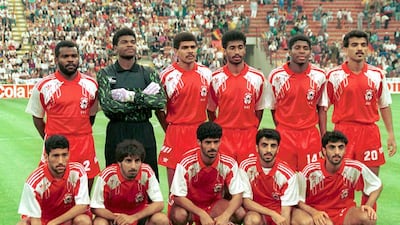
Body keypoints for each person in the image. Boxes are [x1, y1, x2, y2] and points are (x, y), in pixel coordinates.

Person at [326, 30, 396, 205]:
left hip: (369, 133)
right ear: (346, 49)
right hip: (343, 132)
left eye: (363, 45)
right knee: (341, 183)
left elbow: (384, 105)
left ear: (368, 49)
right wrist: (322, 136)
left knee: (371, 184)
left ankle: (368, 219)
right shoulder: (334, 76)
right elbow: (322, 107)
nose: (360, 49)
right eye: (355, 45)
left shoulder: (377, 75)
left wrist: (391, 134)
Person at [25, 40, 100, 189]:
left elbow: (91, 115)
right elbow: (37, 118)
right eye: (65, 56)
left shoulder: (91, 85)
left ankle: (83, 212)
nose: (70, 59)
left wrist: (79, 130)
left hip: (83, 143)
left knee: (86, 183)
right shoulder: (44, 86)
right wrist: (51, 140)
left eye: (74, 56)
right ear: (56, 59)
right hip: (55, 144)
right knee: (52, 187)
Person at [97, 27, 166, 179]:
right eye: (124, 42)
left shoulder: (148, 73)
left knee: (148, 176)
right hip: (117, 129)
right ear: (115, 47)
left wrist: (130, 96)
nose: (129, 45)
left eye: (133, 42)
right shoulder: (105, 73)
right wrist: (145, 99)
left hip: (143, 129)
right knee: (115, 177)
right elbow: (109, 106)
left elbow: (160, 101)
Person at [156, 31, 212, 188]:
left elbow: (212, 106)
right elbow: (159, 109)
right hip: (176, 133)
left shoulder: (206, 73)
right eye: (185, 47)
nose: (190, 51)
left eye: (193, 47)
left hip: (200, 132)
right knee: (176, 187)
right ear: (176, 51)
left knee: (201, 186)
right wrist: (170, 129)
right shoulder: (167, 76)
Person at [265, 34, 327, 171]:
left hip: (311, 136)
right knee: (285, 180)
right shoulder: (276, 76)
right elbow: (273, 108)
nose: (301, 51)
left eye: (305, 48)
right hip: (285, 135)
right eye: (297, 48)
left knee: (312, 179)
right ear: (289, 51)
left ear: (310, 52)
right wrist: (283, 128)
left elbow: (322, 109)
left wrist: (324, 138)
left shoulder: (320, 76)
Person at [298, 131, 383, 225]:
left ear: (345, 150)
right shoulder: (310, 171)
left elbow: (377, 185)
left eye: (341, 147)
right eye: (332, 147)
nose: (337, 152)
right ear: (324, 150)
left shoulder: (354, 167)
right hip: (318, 213)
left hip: (344, 212)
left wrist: (368, 205)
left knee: (368, 217)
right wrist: (314, 213)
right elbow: (297, 199)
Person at [207, 30, 267, 164]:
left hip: (249, 136)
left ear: (245, 49)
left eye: (240, 47)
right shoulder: (215, 78)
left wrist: (251, 128)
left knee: (248, 179)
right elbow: (211, 110)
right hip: (224, 137)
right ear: (225, 50)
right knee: (225, 180)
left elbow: (259, 108)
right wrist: (220, 128)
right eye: (232, 48)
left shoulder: (257, 77)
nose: (237, 52)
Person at [169, 121, 245, 225]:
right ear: (199, 142)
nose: (212, 147)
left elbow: (238, 195)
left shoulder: (229, 163)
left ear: (221, 141)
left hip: (213, 204)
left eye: (216, 142)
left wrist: (225, 216)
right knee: (179, 215)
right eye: (208, 142)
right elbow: (178, 197)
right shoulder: (186, 162)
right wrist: (201, 214)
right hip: (190, 206)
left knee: (239, 213)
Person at [240, 128, 311, 225]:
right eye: (264, 145)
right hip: (258, 211)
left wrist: (280, 218)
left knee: (305, 221)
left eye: (273, 146)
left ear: (278, 149)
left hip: (281, 210)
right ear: (257, 147)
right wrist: (271, 213)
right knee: (251, 219)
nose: (268, 150)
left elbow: (285, 210)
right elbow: (246, 202)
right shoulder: (245, 167)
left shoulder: (288, 173)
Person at [90, 139, 169, 225]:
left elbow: (159, 203)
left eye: (137, 161)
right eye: (128, 161)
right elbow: (95, 207)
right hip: (113, 217)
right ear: (119, 163)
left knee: (161, 219)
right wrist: (119, 219)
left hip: (138, 215)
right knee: (99, 223)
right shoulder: (108, 175)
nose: (133, 166)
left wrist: (133, 217)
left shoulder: (146, 172)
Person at [17, 135, 91, 225]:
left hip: (67, 218)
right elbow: (35, 219)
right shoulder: (34, 183)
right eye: (55, 156)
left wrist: (54, 223)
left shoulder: (78, 171)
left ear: (69, 154)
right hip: (43, 219)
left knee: (83, 220)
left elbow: (82, 206)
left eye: (64, 155)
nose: (61, 161)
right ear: (46, 157)